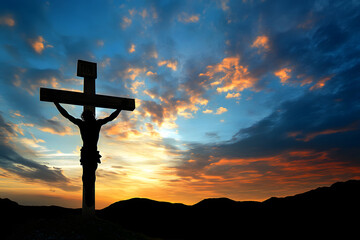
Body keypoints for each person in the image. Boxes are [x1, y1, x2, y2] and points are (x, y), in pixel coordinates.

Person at [54, 102, 121, 207]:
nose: (87, 117)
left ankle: (88, 199)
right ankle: (88, 199)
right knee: (88, 176)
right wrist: (119, 108)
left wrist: (119, 108)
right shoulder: (92, 123)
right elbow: (110, 117)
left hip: (90, 153)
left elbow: (67, 115)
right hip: (89, 153)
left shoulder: (87, 123)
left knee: (88, 176)